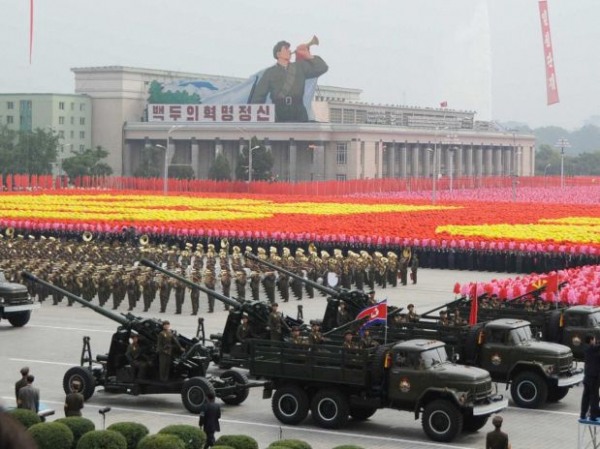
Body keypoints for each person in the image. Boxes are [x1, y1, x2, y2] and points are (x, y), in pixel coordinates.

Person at [249, 39, 328, 122]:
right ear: (278, 54)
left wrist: (307, 55)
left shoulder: (299, 67)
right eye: (286, 49)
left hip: (298, 110)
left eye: (289, 49)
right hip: (279, 112)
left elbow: (322, 68)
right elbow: (258, 96)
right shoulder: (270, 72)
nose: (289, 51)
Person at [581, 335, 600, 420]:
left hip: (587, 376)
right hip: (593, 377)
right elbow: (596, 348)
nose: (595, 341)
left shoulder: (586, 348)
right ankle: (593, 415)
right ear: (591, 340)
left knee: (586, 397)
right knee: (594, 397)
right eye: (594, 340)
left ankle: (583, 414)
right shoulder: (591, 349)